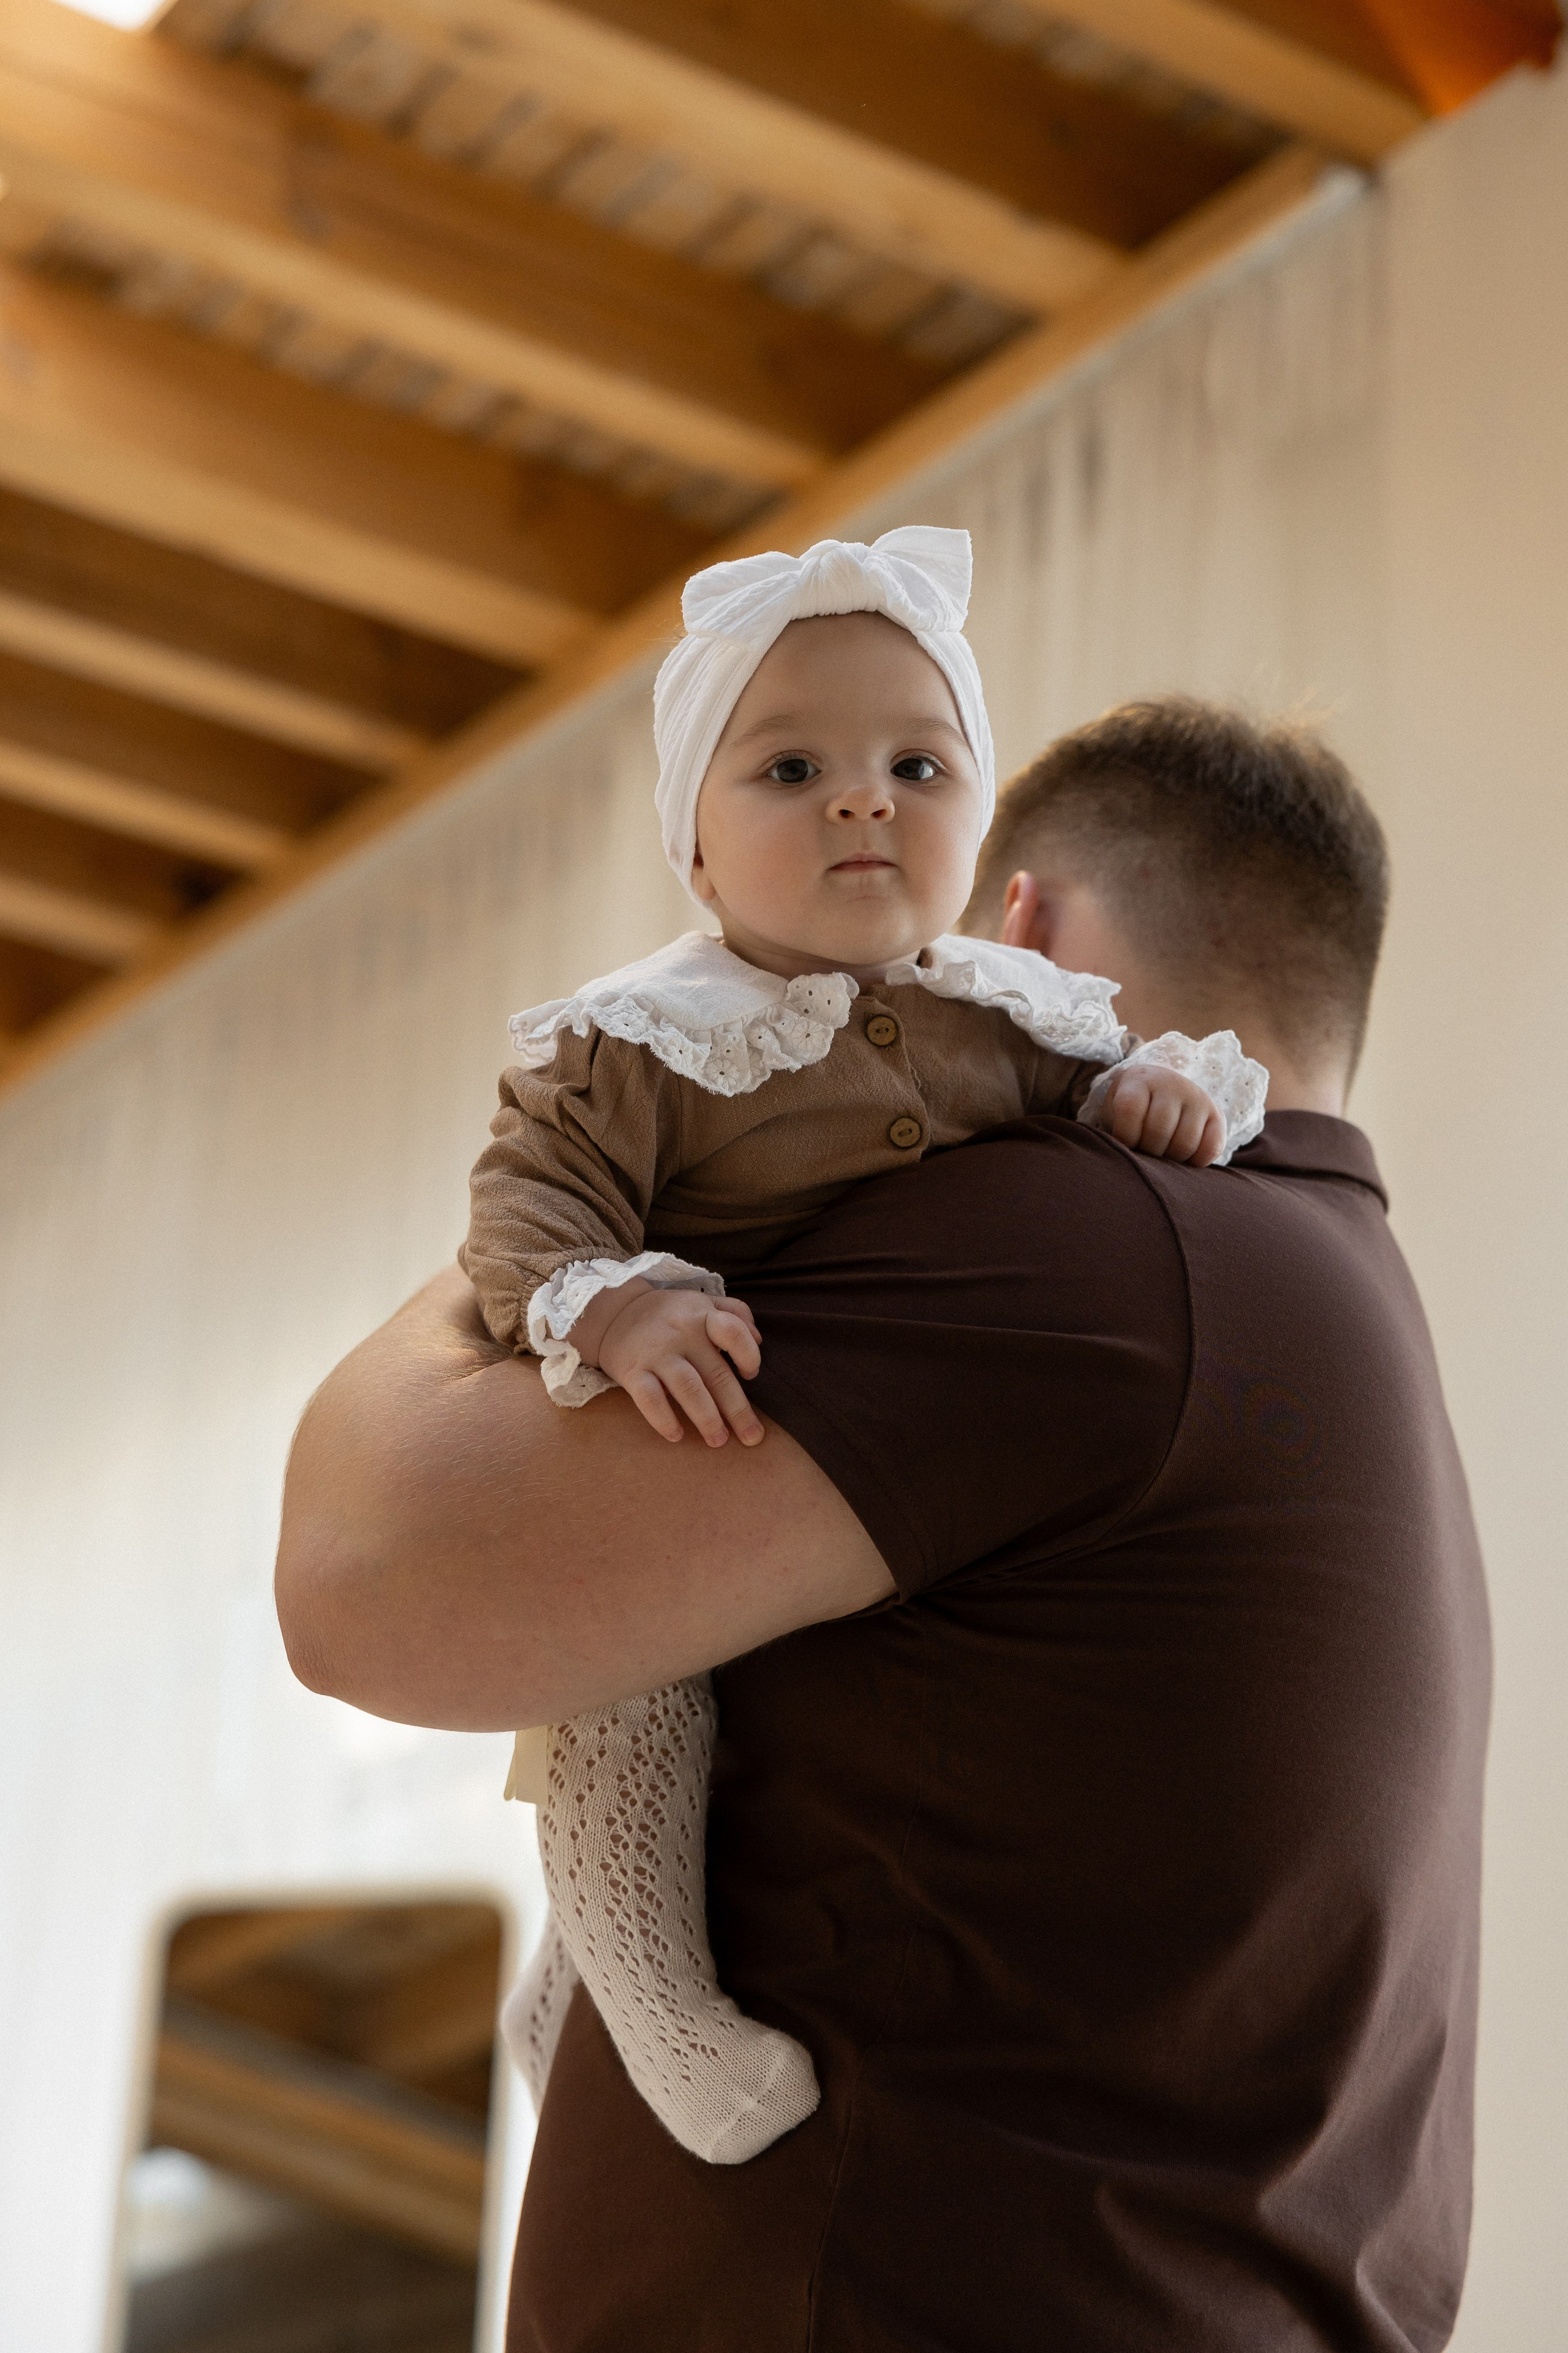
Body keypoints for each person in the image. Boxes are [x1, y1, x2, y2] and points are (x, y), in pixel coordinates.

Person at [276, 695, 1490, 2353]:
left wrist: (652, 1165)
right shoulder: (1334, 1313)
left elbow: (367, 1582)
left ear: (1019, 927)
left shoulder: (1088, 1249)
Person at [464, 527, 1261, 2166]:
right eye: (791, 766)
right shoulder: (640, 1043)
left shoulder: (1006, 1016)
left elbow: (1084, 1104)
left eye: (918, 759)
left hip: (855, 1485)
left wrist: (1147, 1098)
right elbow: (519, 1220)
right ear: (693, 849)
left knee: (774, 1748)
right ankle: (653, 2003)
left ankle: (560, 1990)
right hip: (673, 1441)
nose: (862, 797)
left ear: (980, 818)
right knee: (636, 1685)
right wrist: (616, 1304)